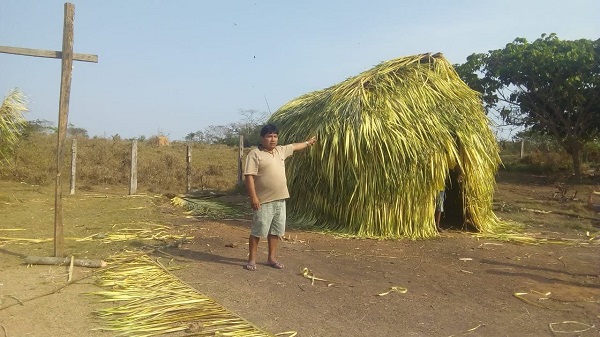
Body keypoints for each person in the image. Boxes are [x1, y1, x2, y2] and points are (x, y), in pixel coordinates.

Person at [243, 124, 317, 271]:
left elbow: (295, 146)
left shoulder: (280, 151)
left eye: (275, 136)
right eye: (269, 136)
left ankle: (271, 258)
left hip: (280, 199)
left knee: (275, 231)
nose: (273, 139)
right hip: (263, 201)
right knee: (258, 231)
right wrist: (254, 197)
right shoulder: (255, 154)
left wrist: (308, 143)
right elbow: (249, 177)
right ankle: (251, 260)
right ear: (262, 138)